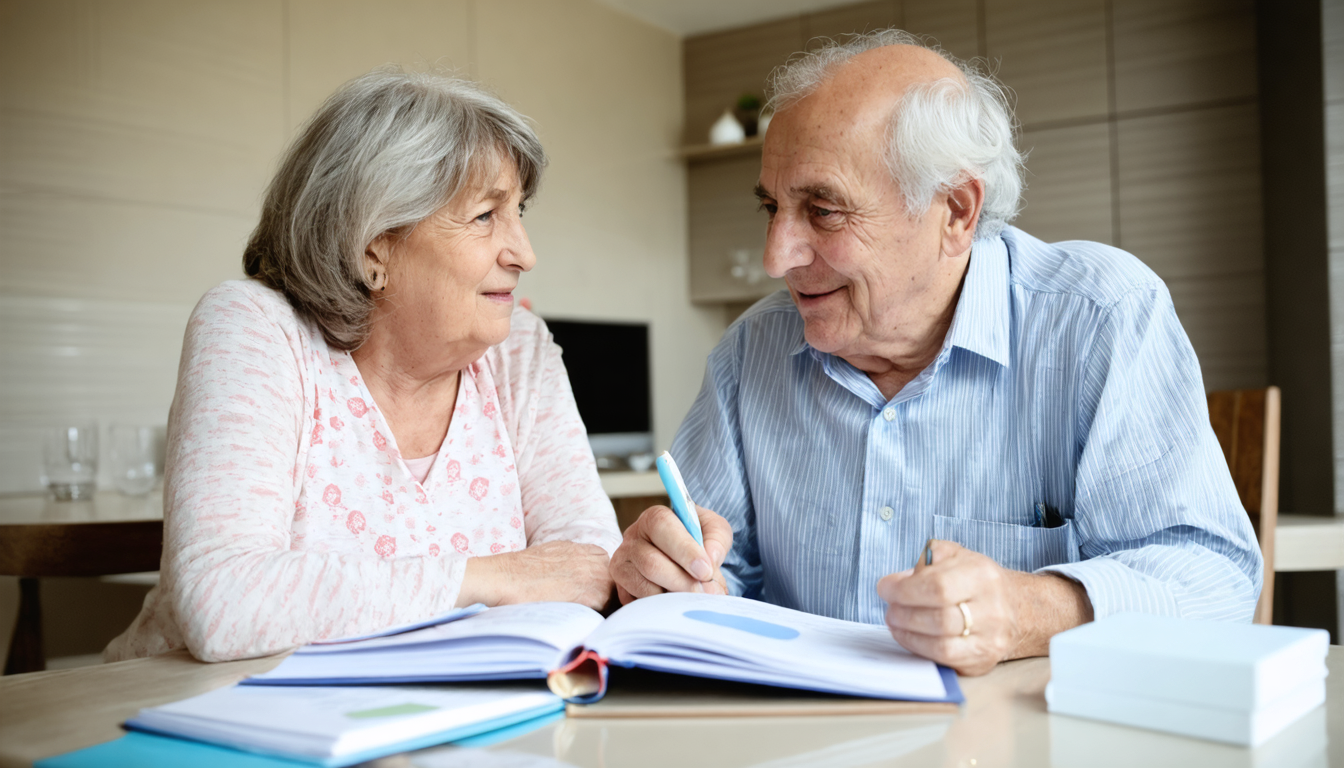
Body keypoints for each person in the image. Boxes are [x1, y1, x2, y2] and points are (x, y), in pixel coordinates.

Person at [610, 30, 1262, 676]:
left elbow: (1213, 576)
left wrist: (1029, 608)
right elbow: (712, 572)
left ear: (955, 210)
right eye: (772, 207)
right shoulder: (750, 352)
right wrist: (666, 574)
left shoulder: (1100, 319)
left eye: (824, 210)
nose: (776, 256)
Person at [106, 69, 621, 663]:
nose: (524, 253)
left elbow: (583, 566)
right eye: (485, 216)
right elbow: (224, 601)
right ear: (374, 245)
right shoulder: (255, 328)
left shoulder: (518, 351)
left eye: (519, 212)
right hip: (204, 719)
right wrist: (497, 578)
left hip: (440, 715)